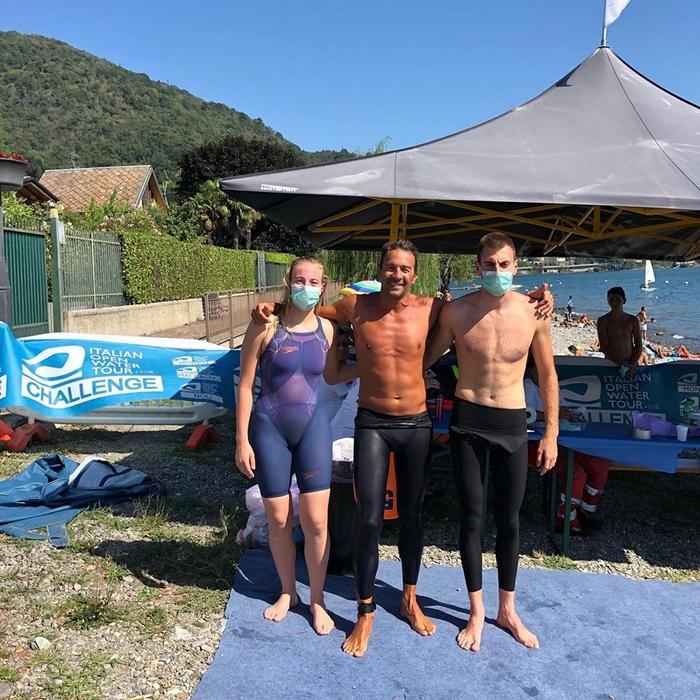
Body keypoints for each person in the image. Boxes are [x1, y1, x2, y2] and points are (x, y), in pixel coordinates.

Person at [252, 240, 554, 657]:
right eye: (390, 267)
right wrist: (272, 306)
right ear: (380, 270)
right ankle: (365, 611)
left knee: (413, 517)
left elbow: (484, 308)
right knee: (369, 519)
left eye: (405, 268)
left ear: (415, 274)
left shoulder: (434, 309)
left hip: (416, 422)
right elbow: (307, 309)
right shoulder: (355, 306)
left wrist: (539, 297)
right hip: (372, 422)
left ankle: (409, 599)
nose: (397, 274)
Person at [424, 232, 558, 652]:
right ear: (477, 266)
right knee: (471, 518)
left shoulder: (534, 311)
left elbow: (547, 374)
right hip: (468, 420)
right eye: (489, 264)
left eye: (504, 264)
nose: (497, 271)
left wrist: (552, 433)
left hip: (513, 423)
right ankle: (477, 611)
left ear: (515, 267)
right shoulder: (456, 312)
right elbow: (424, 357)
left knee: (510, 520)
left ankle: (508, 610)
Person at [235, 257, 358, 636]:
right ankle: (288, 592)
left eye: (314, 281)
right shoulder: (265, 325)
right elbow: (245, 385)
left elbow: (333, 375)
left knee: (317, 521)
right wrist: (241, 440)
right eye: (300, 279)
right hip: (269, 429)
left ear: (323, 287)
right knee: (280, 520)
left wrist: (375, 368)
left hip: (313, 428)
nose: (307, 286)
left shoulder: (328, 329)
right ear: (289, 282)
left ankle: (317, 599)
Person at [524, 354, 609, 536]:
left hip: (558, 442)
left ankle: (585, 510)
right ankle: (565, 522)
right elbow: (525, 414)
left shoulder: (553, 386)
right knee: (576, 474)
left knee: (599, 466)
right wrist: (555, 415)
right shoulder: (527, 386)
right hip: (532, 445)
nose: (549, 371)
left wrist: (569, 414)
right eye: (541, 367)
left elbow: (562, 410)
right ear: (531, 369)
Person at [597, 287, 643, 378]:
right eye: (611, 300)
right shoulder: (603, 321)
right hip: (612, 363)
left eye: (618, 300)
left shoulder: (632, 320)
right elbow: (604, 347)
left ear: (624, 301)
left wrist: (631, 365)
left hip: (631, 362)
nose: (614, 302)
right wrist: (622, 364)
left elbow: (638, 345)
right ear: (608, 301)